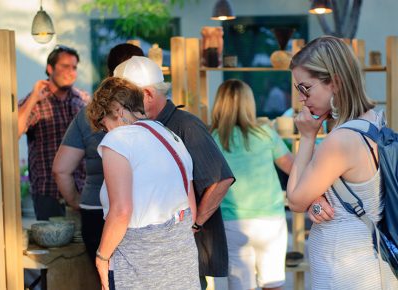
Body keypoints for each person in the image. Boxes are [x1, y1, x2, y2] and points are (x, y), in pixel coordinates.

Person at [286, 36, 398, 289]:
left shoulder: (341, 140)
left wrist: (306, 137)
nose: (302, 98)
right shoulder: (373, 122)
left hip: (343, 267)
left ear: (334, 82)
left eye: (305, 87)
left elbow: (294, 200)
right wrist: (316, 200)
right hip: (370, 262)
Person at [114, 56, 235, 289]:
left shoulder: (185, 125)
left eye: (125, 98)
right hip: (151, 255)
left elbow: (221, 179)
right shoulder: (138, 127)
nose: (120, 106)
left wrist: (195, 224)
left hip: (183, 255)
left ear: (147, 94)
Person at [87, 76, 200, 290]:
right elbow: (190, 207)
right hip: (181, 254)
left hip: (139, 260)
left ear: (117, 110)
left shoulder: (119, 139)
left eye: (104, 124)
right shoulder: (170, 135)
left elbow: (121, 211)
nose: (106, 131)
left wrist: (102, 257)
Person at [52, 43, 144, 262]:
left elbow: (61, 169)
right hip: (143, 211)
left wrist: (78, 201)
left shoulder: (88, 113)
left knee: (105, 279)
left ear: (109, 72)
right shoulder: (148, 111)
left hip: (95, 208)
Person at [210, 79, 294, 290]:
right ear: (249, 103)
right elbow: (293, 168)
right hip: (270, 221)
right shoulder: (266, 133)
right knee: (273, 284)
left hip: (232, 222)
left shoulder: (213, 138)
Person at [18, 45, 89, 220]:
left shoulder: (83, 100)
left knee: (83, 244)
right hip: (48, 192)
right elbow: (14, 132)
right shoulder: (35, 101)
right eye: (65, 66)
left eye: (74, 67)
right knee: (52, 246)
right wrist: (34, 97)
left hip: (81, 189)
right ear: (50, 69)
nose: (71, 72)